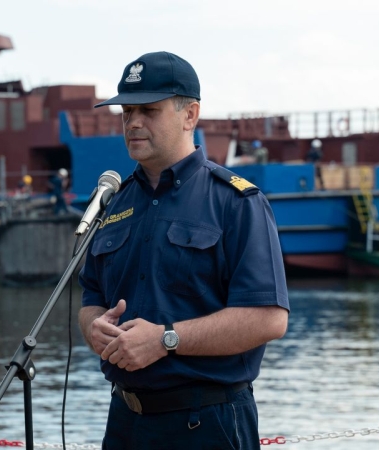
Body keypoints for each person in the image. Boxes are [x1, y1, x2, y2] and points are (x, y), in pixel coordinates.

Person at [78, 51, 289, 450]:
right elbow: (91, 297)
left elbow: (269, 319)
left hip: (207, 423)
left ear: (190, 115)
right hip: (124, 422)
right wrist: (94, 328)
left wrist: (165, 339)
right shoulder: (115, 204)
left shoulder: (236, 202)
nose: (133, 122)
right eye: (126, 112)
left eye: (149, 110)